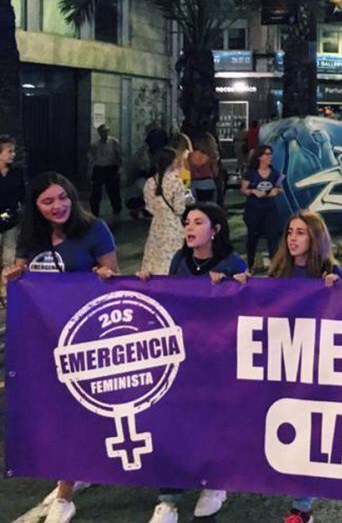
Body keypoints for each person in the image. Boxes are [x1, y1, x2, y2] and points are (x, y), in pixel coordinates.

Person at [3, 172, 119, 523]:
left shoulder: (94, 229)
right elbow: (25, 276)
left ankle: (66, 491)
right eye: (48, 201)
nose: (58, 205)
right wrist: (13, 276)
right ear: (36, 207)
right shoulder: (32, 237)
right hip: (43, 338)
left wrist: (101, 276)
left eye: (62, 197)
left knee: (77, 410)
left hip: (85, 337)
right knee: (55, 411)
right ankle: (73, 471)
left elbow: (113, 275)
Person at [140, 203, 244, 523]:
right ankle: (168, 498)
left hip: (218, 360)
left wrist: (231, 281)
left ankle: (214, 483)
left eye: (198, 222)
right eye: (187, 222)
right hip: (183, 356)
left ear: (215, 229)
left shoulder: (232, 261)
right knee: (174, 424)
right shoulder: (179, 260)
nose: (190, 227)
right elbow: (171, 298)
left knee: (211, 423)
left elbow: (247, 303)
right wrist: (145, 282)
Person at [266, 211, 342, 523]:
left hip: (315, 364)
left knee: (309, 434)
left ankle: (302, 507)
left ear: (315, 238)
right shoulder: (278, 271)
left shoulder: (330, 270)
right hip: (281, 362)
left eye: (301, 232)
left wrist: (341, 286)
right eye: (290, 232)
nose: (293, 238)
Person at [141, 147, 190, 275]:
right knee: (173, 257)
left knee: (154, 256)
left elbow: (149, 207)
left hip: (156, 224)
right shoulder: (176, 181)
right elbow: (180, 209)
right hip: (173, 226)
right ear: (172, 162)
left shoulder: (149, 182)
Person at [241, 144, 285, 271]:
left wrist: (275, 191)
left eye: (270, 154)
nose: (270, 157)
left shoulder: (275, 173)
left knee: (272, 239)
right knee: (252, 238)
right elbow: (243, 189)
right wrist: (253, 191)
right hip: (253, 210)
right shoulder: (251, 173)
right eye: (267, 154)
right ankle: (249, 265)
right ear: (260, 156)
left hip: (270, 210)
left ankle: (274, 267)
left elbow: (280, 187)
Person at [88, 123, 123, 218]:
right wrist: (90, 171)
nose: (104, 134)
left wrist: (120, 168)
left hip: (111, 168)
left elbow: (119, 155)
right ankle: (95, 211)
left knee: (113, 190)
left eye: (105, 132)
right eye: (102, 132)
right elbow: (92, 158)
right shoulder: (95, 144)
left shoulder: (114, 142)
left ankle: (117, 209)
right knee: (96, 191)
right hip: (99, 168)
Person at [0, 135, 25, 267]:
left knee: (9, 254)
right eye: (9, 151)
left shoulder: (16, 173)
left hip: (11, 218)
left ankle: (6, 284)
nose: (13, 154)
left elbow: (22, 194)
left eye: (13, 151)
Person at [187, 132, 220, 203]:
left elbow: (185, 171)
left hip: (192, 183)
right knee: (209, 209)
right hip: (207, 183)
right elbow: (215, 173)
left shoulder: (190, 156)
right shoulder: (210, 157)